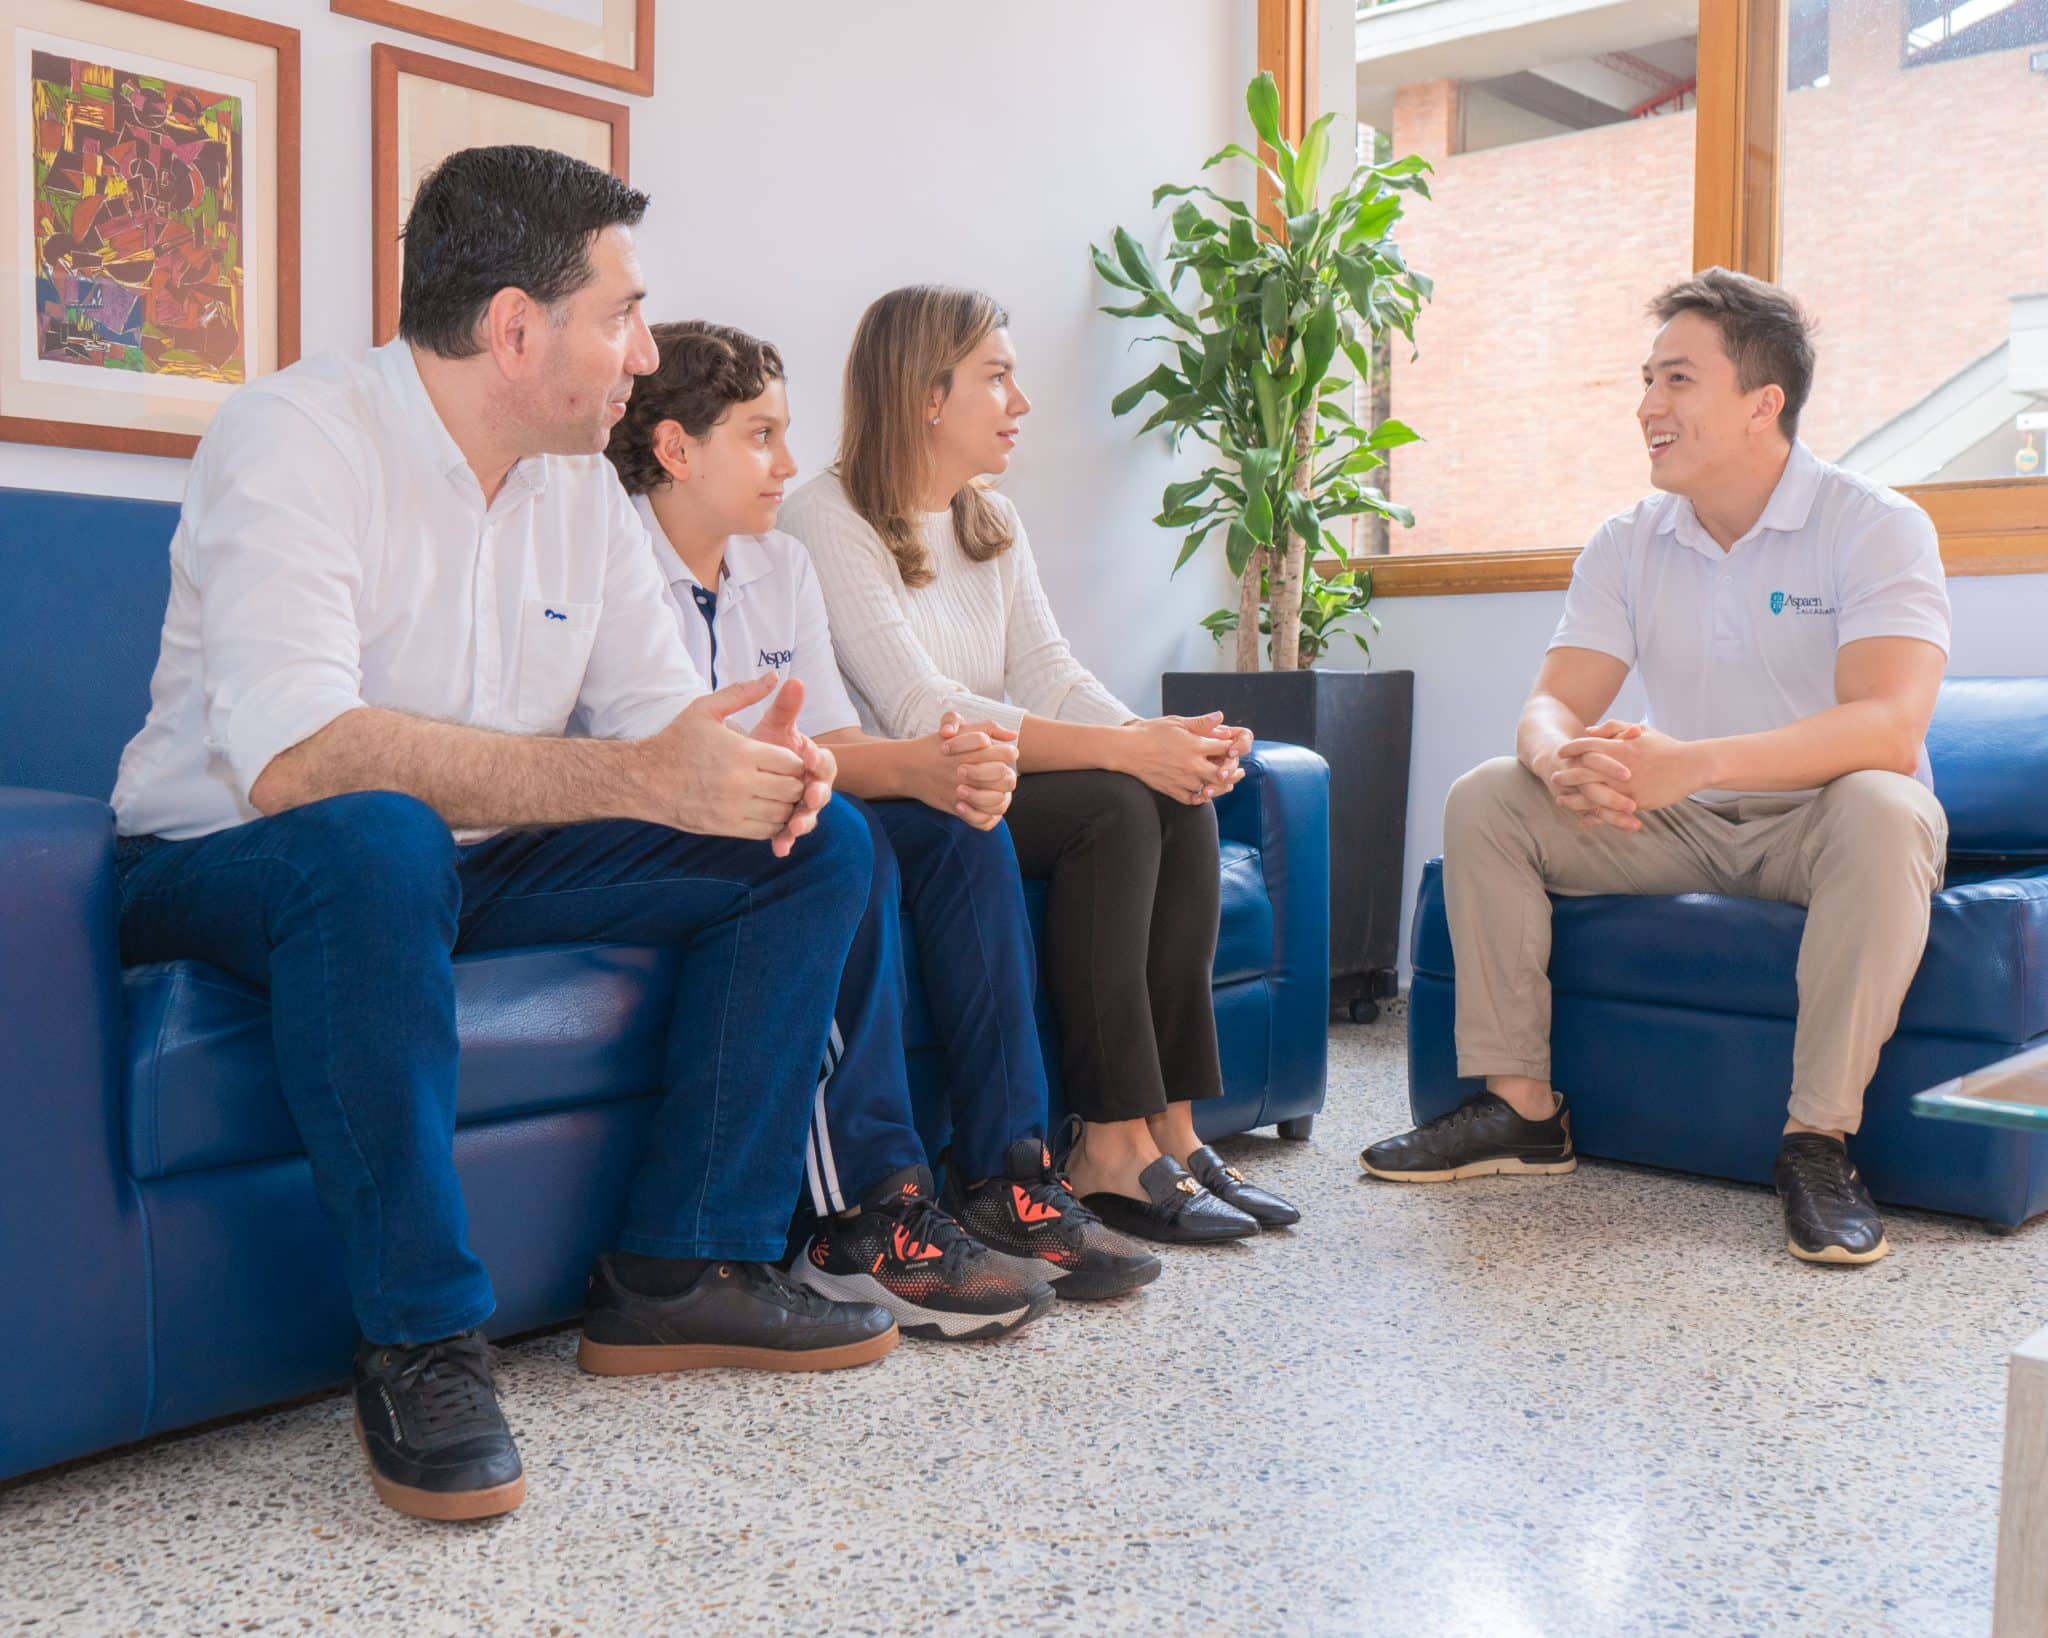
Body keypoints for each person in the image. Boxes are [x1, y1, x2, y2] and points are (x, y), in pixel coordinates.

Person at [108, 147, 898, 1524]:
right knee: (379, 838)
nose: (643, 352)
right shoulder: (294, 435)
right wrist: (641, 775)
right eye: (623, 315)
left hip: (465, 858)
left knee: (813, 843)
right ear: (516, 330)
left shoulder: (578, 487)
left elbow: (659, 721)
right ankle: (422, 1338)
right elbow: (297, 757)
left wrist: (750, 768)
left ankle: (684, 1264)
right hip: (231, 858)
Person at [1360, 268, 1951, 1267]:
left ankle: (1815, 1144)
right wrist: (1556, 759)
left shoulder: (1873, 525)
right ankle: (1520, 1112)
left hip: (1819, 823)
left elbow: (1888, 728)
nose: (1646, 406)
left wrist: (1694, 763)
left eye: (1677, 379)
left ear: (1762, 403)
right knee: (1489, 798)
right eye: (1646, 380)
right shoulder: (1628, 542)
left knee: (1886, 808)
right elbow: (1551, 703)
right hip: (1676, 823)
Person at [602, 320, 1162, 1335]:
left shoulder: (778, 565)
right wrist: (850, 773)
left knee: (958, 828)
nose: (786, 464)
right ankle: (868, 1217)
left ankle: (1007, 1177)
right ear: (677, 450)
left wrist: (927, 770)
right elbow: (675, 765)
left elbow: (834, 741)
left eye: (785, 435)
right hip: (673, 830)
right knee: (835, 843)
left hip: (780, 799)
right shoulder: (611, 560)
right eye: (761, 436)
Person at [781, 286, 1301, 1245]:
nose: (1019, 403)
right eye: (997, 378)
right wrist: (1126, 752)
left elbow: (1050, 674)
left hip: (998, 773)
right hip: (922, 792)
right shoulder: (825, 514)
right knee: (1117, 803)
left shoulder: (991, 519)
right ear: (927, 393)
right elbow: (925, 707)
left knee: (1173, 800)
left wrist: (1160, 742)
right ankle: (1106, 1147)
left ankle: (1175, 1131)